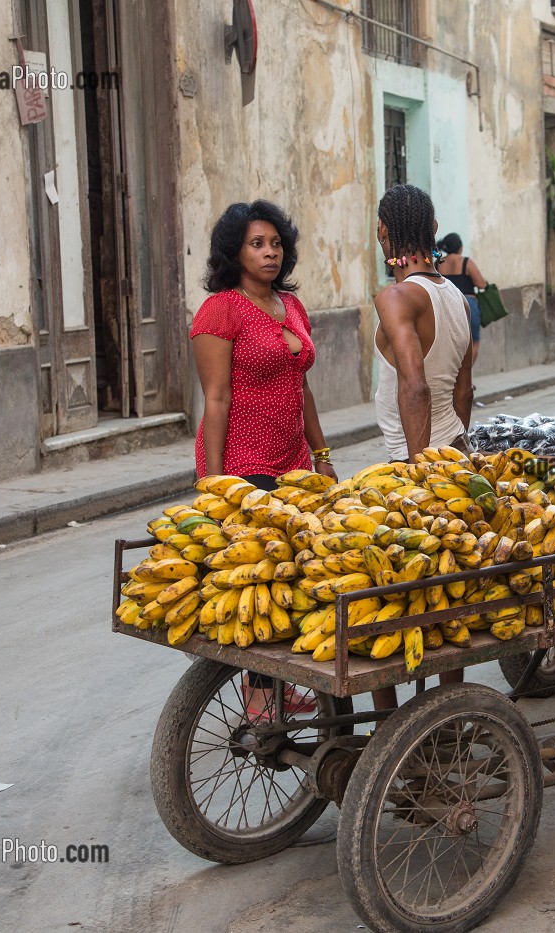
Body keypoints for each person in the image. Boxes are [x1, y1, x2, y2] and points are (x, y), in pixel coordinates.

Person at [190, 199, 336, 721]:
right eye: (257, 244)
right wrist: (216, 482)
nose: (269, 252)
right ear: (235, 251)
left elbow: (302, 387)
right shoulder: (221, 310)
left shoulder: (291, 307)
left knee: (299, 572)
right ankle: (258, 690)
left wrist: (322, 454)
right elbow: (216, 397)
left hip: (293, 457)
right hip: (243, 460)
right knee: (260, 574)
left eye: (276, 243)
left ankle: (281, 683)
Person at [370, 183, 474, 709]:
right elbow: (463, 389)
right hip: (453, 450)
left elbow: (415, 385)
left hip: (412, 462)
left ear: (383, 231)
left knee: (382, 600)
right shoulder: (455, 295)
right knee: (446, 591)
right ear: (434, 231)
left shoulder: (396, 297)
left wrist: (416, 474)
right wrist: (455, 457)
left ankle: (393, 727)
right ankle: (446, 716)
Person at [436, 233, 486, 369]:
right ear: (460, 247)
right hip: (467, 303)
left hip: (445, 305)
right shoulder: (466, 262)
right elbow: (481, 284)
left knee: (450, 344)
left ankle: (453, 378)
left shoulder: (438, 263)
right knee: (473, 341)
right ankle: (465, 379)